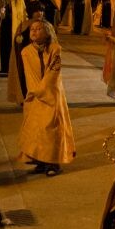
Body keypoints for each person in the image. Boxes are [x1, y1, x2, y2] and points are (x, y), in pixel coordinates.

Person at [17, 19, 75, 177]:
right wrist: (34, 92)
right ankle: (41, 161)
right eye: (32, 29)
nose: (34, 31)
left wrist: (43, 91)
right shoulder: (26, 52)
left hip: (52, 94)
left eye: (38, 29)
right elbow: (29, 75)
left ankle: (53, 163)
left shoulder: (55, 49)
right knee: (36, 128)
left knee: (51, 129)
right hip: (34, 95)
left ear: (47, 32)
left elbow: (53, 74)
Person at [7, 1, 46, 105]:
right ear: (31, 12)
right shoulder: (24, 25)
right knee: (26, 79)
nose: (40, 13)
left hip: (41, 59)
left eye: (42, 10)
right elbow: (18, 43)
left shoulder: (46, 25)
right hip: (27, 59)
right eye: (37, 11)